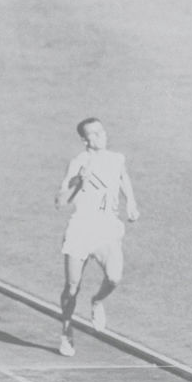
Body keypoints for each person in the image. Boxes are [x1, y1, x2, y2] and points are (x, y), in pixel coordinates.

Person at [54, 117, 140, 357]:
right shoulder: (77, 163)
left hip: (106, 228)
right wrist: (78, 182)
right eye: (94, 133)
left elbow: (123, 177)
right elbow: (60, 202)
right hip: (81, 229)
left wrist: (131, 202)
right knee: (72, 287)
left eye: (101, 131)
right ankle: (66, 332)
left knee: (114, 277)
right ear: (84, 140)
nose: (101, 136)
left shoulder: (116, 158)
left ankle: (97, 302)